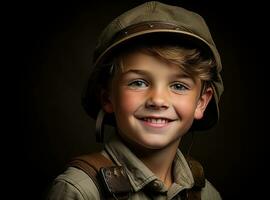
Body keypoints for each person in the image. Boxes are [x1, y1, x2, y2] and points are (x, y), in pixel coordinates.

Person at [46, 1, 224, 199]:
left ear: (201, 102)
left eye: (178, 86)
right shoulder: (80, 191)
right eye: (138, 83)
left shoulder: (207, 194)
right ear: (107, 97)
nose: (158, 100)